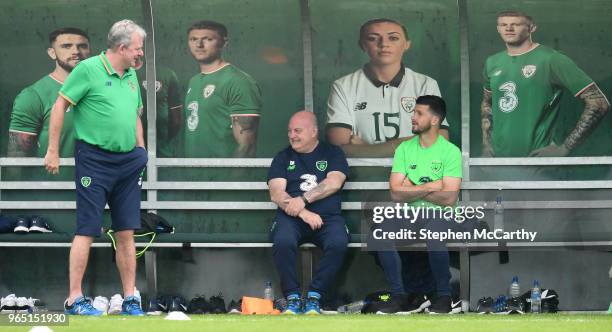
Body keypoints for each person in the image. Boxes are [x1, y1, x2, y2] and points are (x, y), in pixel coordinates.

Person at [44, 19, 148, 316]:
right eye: (138, 49)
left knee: (127, 231)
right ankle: (75, 299)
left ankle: (130, 298)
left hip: (129, 162)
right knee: (87, 229)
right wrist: (53, 151)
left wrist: (141, 150)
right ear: (122, 47)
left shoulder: (130, 76)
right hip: (95, 160)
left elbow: (134, 115)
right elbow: (60, 106)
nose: (141, 54)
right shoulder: (88, 69)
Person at [481, 10, 609, 157]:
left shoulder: (552, 59)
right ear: (498, 28)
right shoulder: (492, 62)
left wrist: (565, 148)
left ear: (532, 28)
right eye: (503, 24)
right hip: (498, 162)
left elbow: (599, 103)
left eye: (516, 24)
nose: (509, 28)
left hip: (538, 162)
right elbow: (487, 103)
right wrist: (486, 146)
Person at [377, 95, 462, 314]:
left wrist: (412, 187)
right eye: (414, 112)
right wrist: (431, 186)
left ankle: (444, 296)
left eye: (419, 113)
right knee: (381, 233)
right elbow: (396, 193)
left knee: (435, 235)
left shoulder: (450, 151)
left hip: (442, 216)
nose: (413, 117)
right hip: (410, 216)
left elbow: (449, 198)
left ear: (434, 120)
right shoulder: (404, 149)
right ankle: (399, 296)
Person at [326, 18, 448, 157]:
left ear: (406, 44)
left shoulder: (425, 84)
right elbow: (338, 148)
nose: (384, 44)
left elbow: (439, 141)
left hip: (414, 174)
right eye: (373, 38)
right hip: (362, 175)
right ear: (362, 45)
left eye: (393, 38)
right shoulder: (343, 86)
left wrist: (366, 149)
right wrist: (411, 144)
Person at [268, 111, 349, 314]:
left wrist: (303, 200)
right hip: (291, 218)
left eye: (297, 131)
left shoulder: (333, 153)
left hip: (328, 218)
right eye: (289, 131)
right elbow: (276, 193)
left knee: (338, 242)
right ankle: (293, 298)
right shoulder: (283, 157)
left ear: (314, 131)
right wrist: (303, 212)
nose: (292, 135)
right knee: (283, 241)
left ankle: (315, 296)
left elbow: (334, 182)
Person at [182, 20, 262, 158]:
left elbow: (247, 146)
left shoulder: (237, 81)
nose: (199, 45)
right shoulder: (193, 81)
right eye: (193, 39)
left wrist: (231, 179)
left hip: (222, 176)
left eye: (208, 39)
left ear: (224, 43)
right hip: (193, 174)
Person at [8, 27, 91, 157]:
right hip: (52, 177)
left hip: (98, 176)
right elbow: (16, 160)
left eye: (82, 46)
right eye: (66, 46)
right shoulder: (33, 96)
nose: (76, 51)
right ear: (52, 53)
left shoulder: (104, 89)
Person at [134, 57, 182, 157]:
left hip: (159, 154)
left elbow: (176, 120)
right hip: (123, 155)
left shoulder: (165, 74)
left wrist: (160, 140)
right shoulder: (110, 75)